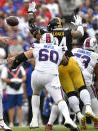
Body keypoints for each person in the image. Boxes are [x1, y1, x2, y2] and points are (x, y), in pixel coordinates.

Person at [28, 2, 96, 130]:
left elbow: (32, 27)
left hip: (56, 67)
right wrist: (80, 25)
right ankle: (85, 108)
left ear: (50, 26)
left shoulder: (45, 34)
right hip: (70, 61)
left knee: (65, 95)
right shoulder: (67, 31)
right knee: (80, 88)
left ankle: (71, 117)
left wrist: (30, 13)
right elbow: (80, 34)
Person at [8, 33, 78, 130]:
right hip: (52, 75)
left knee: (35, 94)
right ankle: (67, 119)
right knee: (60, 99)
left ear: (42, 40)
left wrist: (14, 65)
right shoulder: (58, 48)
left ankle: (34, 119)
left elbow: (23, 56)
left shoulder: (37, 46)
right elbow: (65, 62)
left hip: (37, 74)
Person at [72, 37, 98, 129]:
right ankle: (96, 122)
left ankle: (79, 121)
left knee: (70, 98)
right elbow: (96, 72)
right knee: (93, 97)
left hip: (72, 77)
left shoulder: (75, 50)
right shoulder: (95, 55)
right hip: (85, 78)